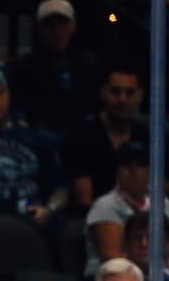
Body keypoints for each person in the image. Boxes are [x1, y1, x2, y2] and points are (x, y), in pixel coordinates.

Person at [0, 67, 66, 223]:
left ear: (8, 96)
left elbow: (60, 189)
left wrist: (49, 210)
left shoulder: (35, 139)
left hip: (31, 222)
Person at [7, 0, 99, 136]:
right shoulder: (22, 69)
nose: (56, 31)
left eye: (62, 23)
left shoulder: (87, 67)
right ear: (38, 29)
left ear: (73, 26)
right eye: (48, 24)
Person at [60, 66, 146, 211]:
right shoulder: (80, 137)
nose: (122, 100)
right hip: (96, 217)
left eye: (129, 93)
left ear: (140, 96)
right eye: (115, 92)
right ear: (103, 93)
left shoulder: (149, 137)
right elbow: (84, 201)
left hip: (144, 217)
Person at [85, 142, 158, 278]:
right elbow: (113, 260)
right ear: (117, 171)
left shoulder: (161, 204)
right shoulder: (106, 206)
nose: (133, 170)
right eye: (126, 165)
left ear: (150, 171)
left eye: (140, 165)